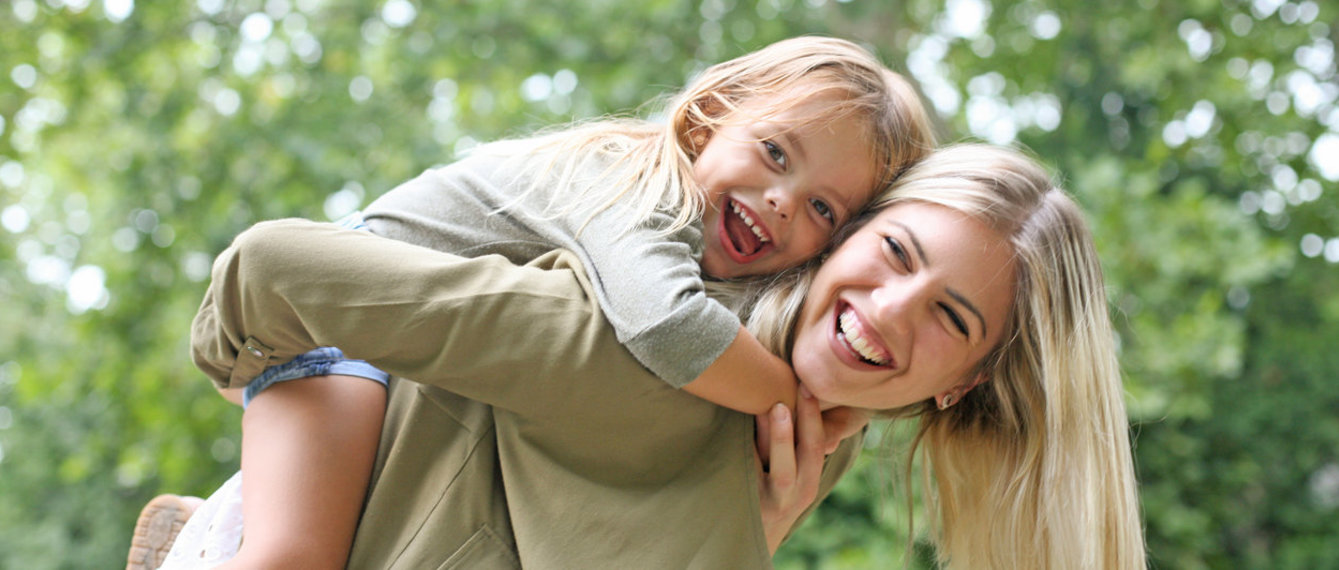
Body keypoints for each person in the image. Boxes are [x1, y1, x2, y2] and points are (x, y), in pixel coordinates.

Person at [154, 143, 1144, 569]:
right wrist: (275, 387)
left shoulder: (798, 450)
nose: (886, 312)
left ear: (963, 381)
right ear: (847, 237)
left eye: (950, 319)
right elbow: (270, 270)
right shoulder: (635, 345)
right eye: (891, 253)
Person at [149, 35, 937, 570]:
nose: (779, 202)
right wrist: (798, 403)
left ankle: (196, 530)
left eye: (823, 211)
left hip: (419, 368)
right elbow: (664, 328)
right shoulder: (628, 183)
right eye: (773, 154)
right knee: (294, 557)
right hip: (335, 329)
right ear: (709, 114)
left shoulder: (729, 274)